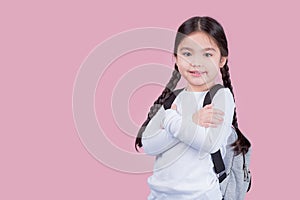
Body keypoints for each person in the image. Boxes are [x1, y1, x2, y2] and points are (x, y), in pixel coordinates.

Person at [135, 16, 251, 200]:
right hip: (158, 196)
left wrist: (171, 120)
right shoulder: (172, 98)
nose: (196, 62)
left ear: (222, 60)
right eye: (187, 54)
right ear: (176, 58)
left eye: (207, 54)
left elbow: (208, 143)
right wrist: (192, 121)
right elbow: (149, 145)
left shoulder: (221, 97)